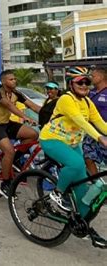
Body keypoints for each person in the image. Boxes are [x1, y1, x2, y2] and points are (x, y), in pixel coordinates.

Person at [40, 66, 107, 247]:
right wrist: (100, 138)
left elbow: (100, 122)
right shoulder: (65, 99)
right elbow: (80, 121)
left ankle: (82, 225)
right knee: (77, 163)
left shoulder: (86, 101)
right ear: (71, 84)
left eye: (87, 81)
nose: (85, 85)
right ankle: (57, 193)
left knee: (83, 191)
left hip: (72, 143)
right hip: (51, 139)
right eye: (80, 82)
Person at [0, 70, 40, 198]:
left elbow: (32, 106)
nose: (14, 81)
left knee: (32, 135)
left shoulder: (15, 93)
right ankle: (5, 184)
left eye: (14, 79)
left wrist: (50, 114)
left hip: (6, 124)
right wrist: (25, 117)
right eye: (11, 79)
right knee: (9, 151)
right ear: (3, 81)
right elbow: (9, 105)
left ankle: (13, 161)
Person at [83, 67, 107, 175]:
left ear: (101, 77)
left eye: (94, 76)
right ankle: (96, 182)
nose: (91, 78)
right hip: (91, 132)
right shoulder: (90, 92)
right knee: (87, 156)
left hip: (105, 132)